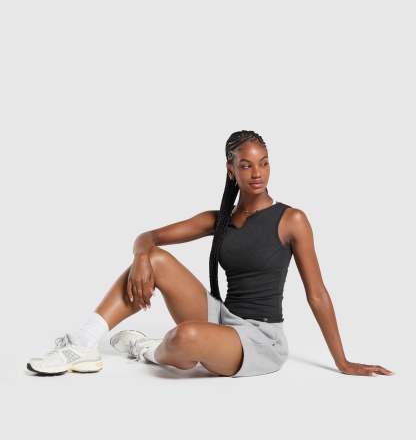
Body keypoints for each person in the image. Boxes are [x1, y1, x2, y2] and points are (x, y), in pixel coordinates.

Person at [27, 130, 394, 378]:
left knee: (184, 337)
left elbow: (317, 294)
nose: (257, 172)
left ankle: (145, 349)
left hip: (260, 340)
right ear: (231, 169)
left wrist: (343, 362)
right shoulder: (219, 219)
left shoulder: (292, 220)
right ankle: (83, 343)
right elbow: (149, 237)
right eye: (246, 164)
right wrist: (141, 257)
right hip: (223, 319)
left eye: (264, 162)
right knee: (155, 259)